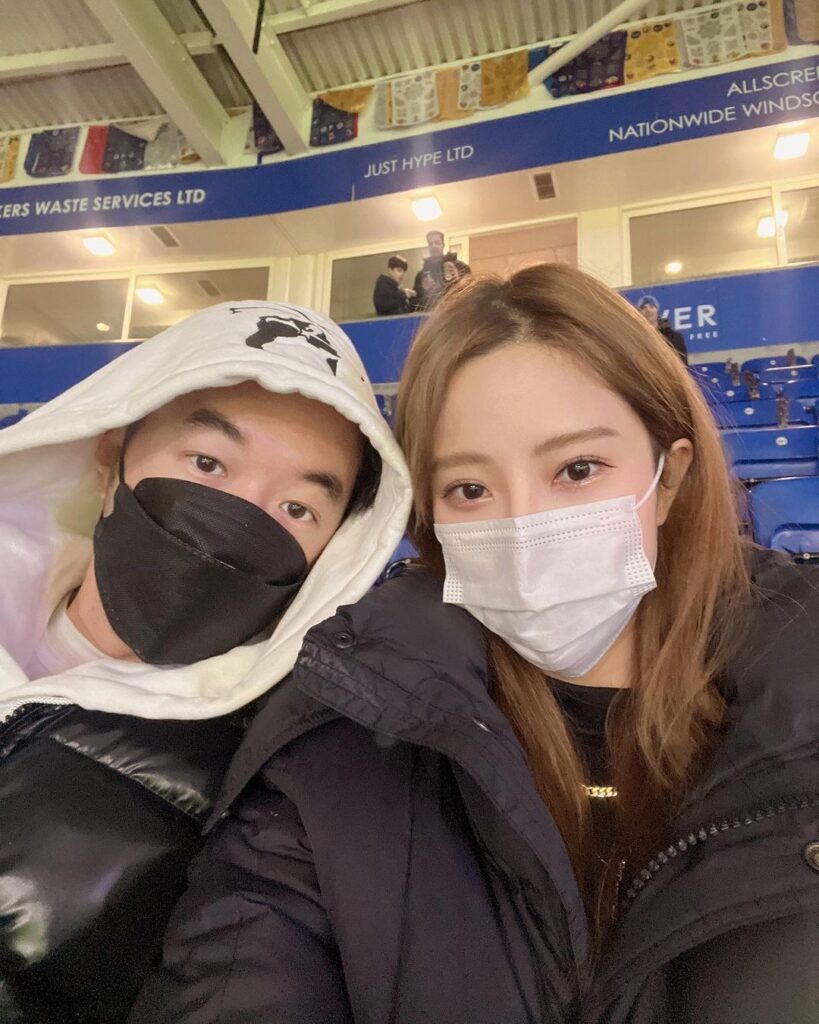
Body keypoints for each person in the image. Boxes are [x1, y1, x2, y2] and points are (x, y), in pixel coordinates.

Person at [130, 266, 817, 1024]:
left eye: (577, 469)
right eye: (469, 489)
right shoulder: (340, 736)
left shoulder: (799, 682)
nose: (522, 525)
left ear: (669, 478)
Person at [0, 299, 411, 1023]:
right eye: (209, 462)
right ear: (109, 460)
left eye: (298, 509)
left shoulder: (264, 794)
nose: (242, 519)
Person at [412, 229, 471, 310]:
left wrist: (457, 280)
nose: (433, 246)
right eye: (430, 243)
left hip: (457, 312)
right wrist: (425, 291)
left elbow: (471, 292)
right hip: (432, 315)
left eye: (437, 242)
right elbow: (415, 305)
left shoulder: (460, 267)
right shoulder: (421, 275)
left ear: (443, 245)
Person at [637, 294, 688, 364]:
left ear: (657, 309)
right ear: (639, 313)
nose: (648, 310)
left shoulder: (676, 337)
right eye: (643, 308)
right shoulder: (637, 341)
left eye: (651, 306)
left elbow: (683, 365)